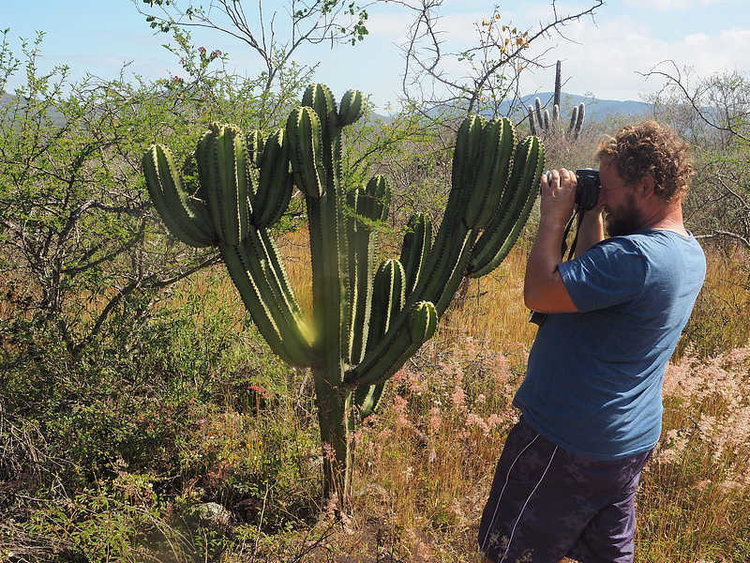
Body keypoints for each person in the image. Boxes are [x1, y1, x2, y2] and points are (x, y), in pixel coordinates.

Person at [477, 121, 706, 563]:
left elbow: (541, 292)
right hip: (624, 445)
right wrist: (590, 214)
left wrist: (553, 217)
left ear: (646, 185)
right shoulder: (686, 252)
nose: (603, 194)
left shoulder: (634, 258)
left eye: (609, 187)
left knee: (509, 554)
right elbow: (590, 279)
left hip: (564, 442)